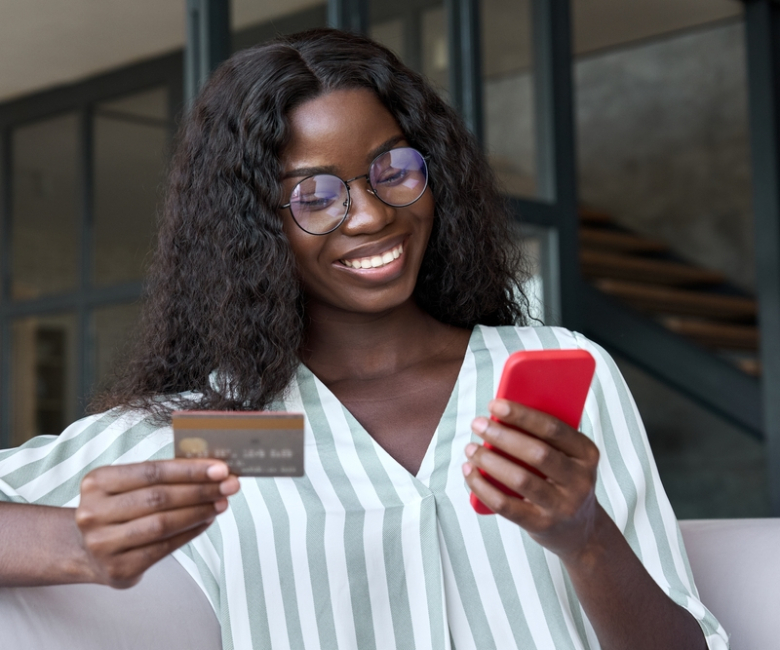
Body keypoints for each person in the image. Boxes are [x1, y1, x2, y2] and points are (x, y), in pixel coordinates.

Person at [0, 28, 727, 650]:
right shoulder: (246, 433)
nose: (371, 216)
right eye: (314, 195)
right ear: (253, 228)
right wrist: (79, 545)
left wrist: (585, 537)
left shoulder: (549, 374)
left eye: (394, 170)